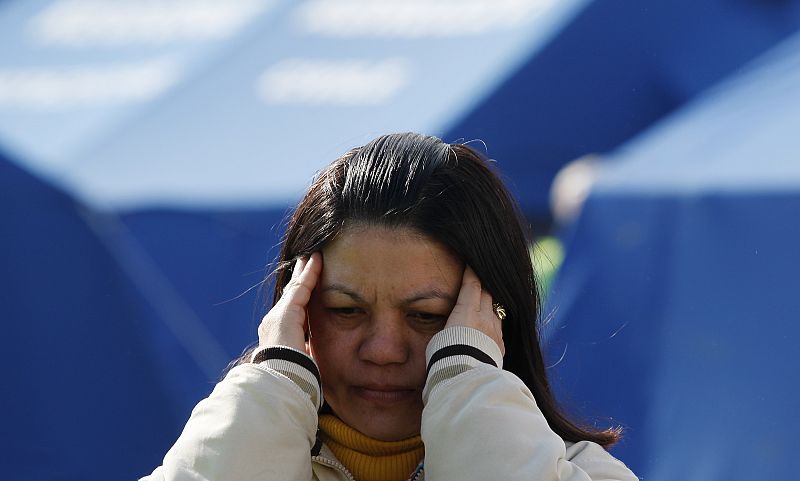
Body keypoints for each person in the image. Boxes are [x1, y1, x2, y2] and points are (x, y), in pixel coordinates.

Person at [142, 133, 638, 481]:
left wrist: (467, 384)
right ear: (296, 314)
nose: (383, 351)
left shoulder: (584, 473)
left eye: (427, 316)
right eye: (345, 310)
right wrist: (273, 381)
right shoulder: (223, 453)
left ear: (492, 319)